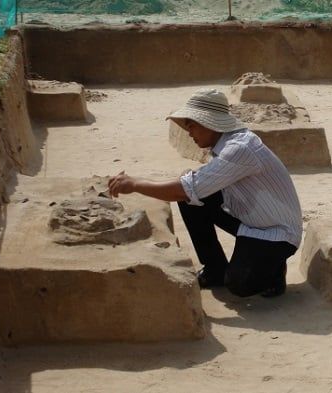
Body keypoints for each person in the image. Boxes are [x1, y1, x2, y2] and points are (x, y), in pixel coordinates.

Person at [108, 89, 302, 298]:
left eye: (191, 125)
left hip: (277, 235)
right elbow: (190, 188)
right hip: (251, 222)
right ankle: (215, 268)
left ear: (211, 123)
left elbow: (184, 188)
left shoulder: (239, 149)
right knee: (191, 199)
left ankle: (274, 270)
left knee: (239, 285)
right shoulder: (226, 144)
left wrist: (136, 184)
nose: (189, 132)